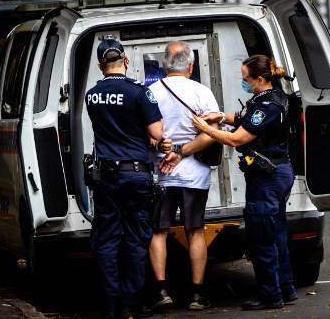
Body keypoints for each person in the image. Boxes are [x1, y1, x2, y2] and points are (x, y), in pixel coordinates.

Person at [192, 54, 297, 310]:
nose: (243, 82)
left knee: (261, 238)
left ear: (260, 79)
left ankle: (270, 296)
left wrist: (206, 130)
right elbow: (242, 117)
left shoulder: (266, 107)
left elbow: (237, 139)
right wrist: (218, 116)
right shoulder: (273, 97)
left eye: (246, 79)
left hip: (267, 178)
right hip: (278, 172)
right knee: (277, 233)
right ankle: (286, 288)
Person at [85, 39, 168, 319]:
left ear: (100, 66)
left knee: (107, 240)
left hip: (106, 177)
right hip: (136, 175)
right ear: (126, 61)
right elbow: (157, 133)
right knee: (135, 239)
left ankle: (110, 307)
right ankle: (131, 306)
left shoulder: (92, 95)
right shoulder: (139, 92)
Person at [148, 40, 219, 311]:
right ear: (191, 65)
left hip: (160, 174)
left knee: (158, 232)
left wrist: (164, 147)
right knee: (196, 231)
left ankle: (160, 291)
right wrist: (183, 151)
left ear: (165, 64)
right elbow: (211, 133)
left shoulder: (151, 92)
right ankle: (197, 295)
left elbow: (143, 132)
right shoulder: (202, 92)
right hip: (194, 175)